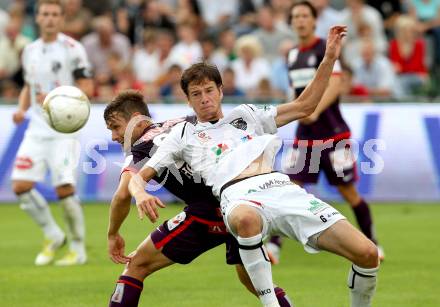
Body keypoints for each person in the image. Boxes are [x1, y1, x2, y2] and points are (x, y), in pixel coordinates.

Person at [129, 26, 380, 307]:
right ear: (188, 100)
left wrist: (329, 58)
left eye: (209, 90)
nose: (204, 99)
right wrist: (140, 193)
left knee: (367, 254)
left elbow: (305, 105)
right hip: (238, 196)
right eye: (196, 94)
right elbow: (139, 177)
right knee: (246, 221)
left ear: (221, 91)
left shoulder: (247, 114)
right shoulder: (182, 134)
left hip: (281, 189)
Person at [105, 90, 292, 307]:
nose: (114, 136)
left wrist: (113, 234)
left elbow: (121, 195)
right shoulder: (182, 122)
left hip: (209, 212)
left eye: (116, 127)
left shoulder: (140, 148)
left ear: (136, 120)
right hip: (242, 201)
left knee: (136, 265)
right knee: (254, 281)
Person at [267, 0, 384, 265]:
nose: (300, 20)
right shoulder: (292, 55)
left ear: (312, 20)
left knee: (348, 192)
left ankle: (372, 244)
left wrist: (316, 109)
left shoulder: (324, 48)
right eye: (295, 16)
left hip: (334, 136)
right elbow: (296, 94)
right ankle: (273, 247)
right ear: (291, 22)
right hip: (305, 136)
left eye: (304, 16)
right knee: (289, 188)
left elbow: (337, 81)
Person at [11, 0, 93, 266]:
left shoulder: (73, 49)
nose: (49, 19)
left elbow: (87, 87)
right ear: (37, 17)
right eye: (45, 14)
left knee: (64, 188)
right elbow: (29, 86)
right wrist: (22, 109)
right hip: (36, 127)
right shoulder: (29, 51)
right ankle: (53, 234)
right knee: (21, 186)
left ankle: (78, 248)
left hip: (62, 130)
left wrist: (59, 97)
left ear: (62, 18)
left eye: (55, 15)